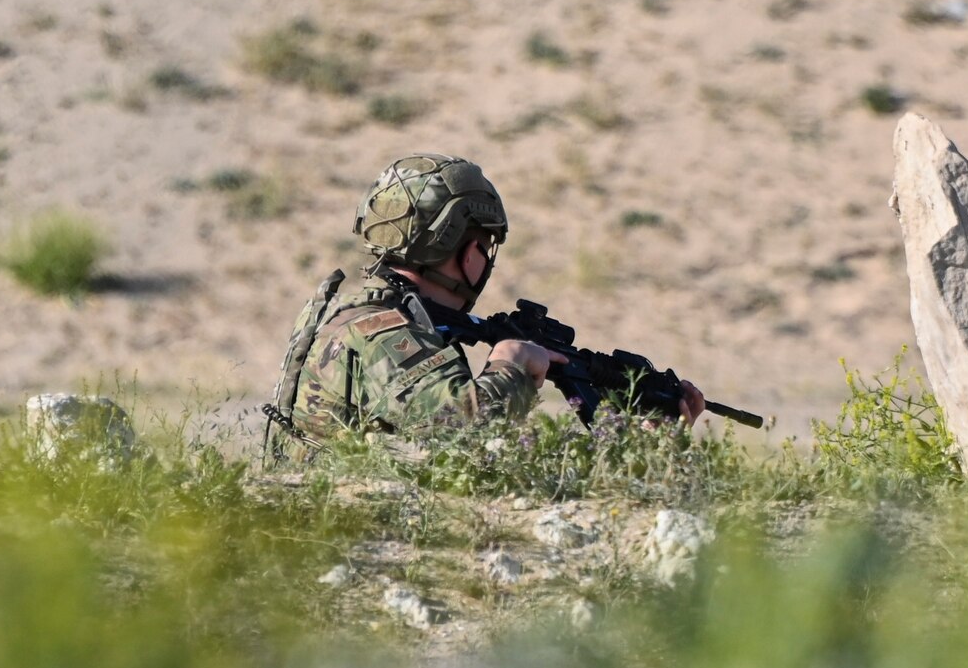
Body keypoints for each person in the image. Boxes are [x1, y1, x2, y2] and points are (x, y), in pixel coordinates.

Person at [267, 153, 700, 456]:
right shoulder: (384, 330)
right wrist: (510, 367)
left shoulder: (358, 313)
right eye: (485, 244)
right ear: (459, 244)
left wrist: (642, 445)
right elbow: (464, 440)